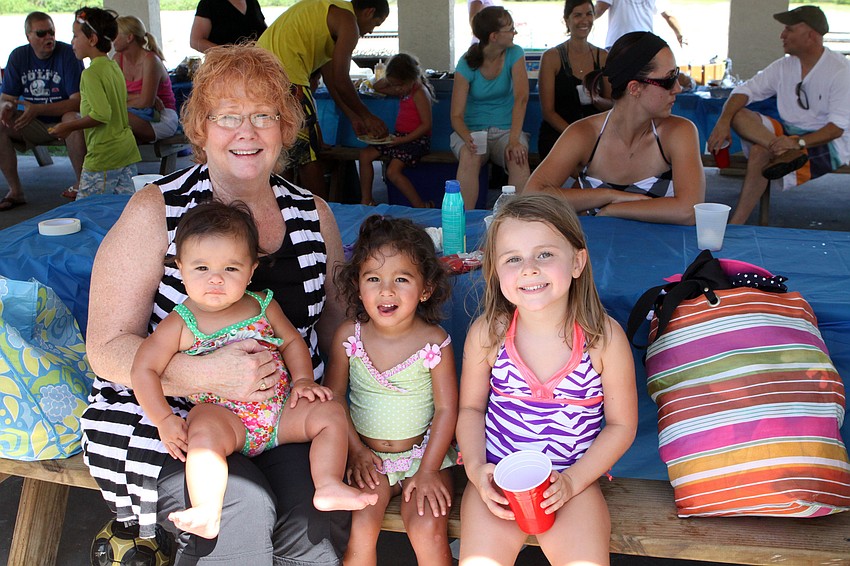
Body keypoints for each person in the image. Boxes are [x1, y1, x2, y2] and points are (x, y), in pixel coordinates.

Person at [80, 44, 351, 564]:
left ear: (285, 129)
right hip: (169, 418)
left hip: (278, 414)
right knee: (239, 508)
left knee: (315, 517)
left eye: (262, 117)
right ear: (201, 130)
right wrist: (204, 376)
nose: (246, 132)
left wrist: (329, 403)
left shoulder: (312, 212)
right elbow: (106, 347)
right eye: (228, 117)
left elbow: (339, 329)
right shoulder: (156, 209)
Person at [132, 201, 377, 539]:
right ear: (180, 268)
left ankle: (328, 485)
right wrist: (163, 418)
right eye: (201, 268)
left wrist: (304, 380)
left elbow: (292, 342)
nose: (215, 279)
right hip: (226, 420)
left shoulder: (262, 304)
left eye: (231, 269)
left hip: (280, 414)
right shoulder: (181, 322)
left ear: (251, 269)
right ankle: (207, 508)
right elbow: (143, 368)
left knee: (330, 412)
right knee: (200, 433)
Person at [456, 193, 637, 565]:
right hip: (498, 479)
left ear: (577, 261)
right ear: (494, 271)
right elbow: (470, 409)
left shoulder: (604, 338)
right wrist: (476, 469)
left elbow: (622, 426)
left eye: (544, 254)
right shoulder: (487, 334)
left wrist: (573, 481)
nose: (529, 268)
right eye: (513, 259)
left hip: (572, 482)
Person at [325, 215, 458, 566]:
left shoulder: (435, 343)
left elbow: (447, 411)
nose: (386, 291)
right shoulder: (348, 337)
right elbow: (334, 399)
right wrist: (354, 451)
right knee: (362, 530)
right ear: (357, 286)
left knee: (428, 529)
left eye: (401, 279)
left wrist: (428, 469)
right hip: (367, 459)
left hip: (425, 457)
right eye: (373, 279)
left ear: (426, 288)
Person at [524, 32, 704, 225]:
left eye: (676, 75)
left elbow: (690, 210)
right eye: (669, 79)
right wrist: (608, 195)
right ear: (634, 88)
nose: (677, 88)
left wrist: (613, 210)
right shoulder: (585, 134)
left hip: (661, 250)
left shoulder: (679, 132)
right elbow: (532, 196)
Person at [706, 6, 850, 225]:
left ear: (810, 35)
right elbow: (743, 91)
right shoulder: (784, 66)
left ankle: (736, 223)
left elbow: (836, 129)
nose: (782, 35)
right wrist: (723, 121)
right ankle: (781, 149)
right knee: (739, 114)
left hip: (826, 140)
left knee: (758, 150)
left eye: (789, 30)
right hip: (786, 136)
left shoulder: (841, 71)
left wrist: (799, 141)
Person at [258, 0, 391, 200]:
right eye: (375, 24)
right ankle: (320, 213)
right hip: (286, 77)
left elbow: (331, 79)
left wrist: (353, 116)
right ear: (369, 11)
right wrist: (366, 116)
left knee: (283, 148)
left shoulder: (330, 15)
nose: (371, 31)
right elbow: (341, 77)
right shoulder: (349, 23)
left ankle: (283, 207)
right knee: (307, 155)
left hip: (258, 72)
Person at [49, 8, 140, 200]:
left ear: (92, 40)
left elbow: (101, 114)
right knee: (122, 209)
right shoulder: (113, 67)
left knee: (87, 210)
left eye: (75, 36)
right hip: (126, 151)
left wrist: (68, 126)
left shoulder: (90, 74)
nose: (72, 42)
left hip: (104, 155)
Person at [0, 11, 85, 211]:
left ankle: (83, 186)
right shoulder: (18, 56)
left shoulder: (68, 54)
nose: (49, 38)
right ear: (28, 36)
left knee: (72, 117)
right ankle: (15, 191)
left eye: (51, 32)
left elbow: (77, 102)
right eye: (41, 34)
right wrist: (6, 107)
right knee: (0, 123)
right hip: (32, 122)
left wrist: (38, 109)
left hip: (63, 122)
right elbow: (6, 97)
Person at [451, 6, 530, 210]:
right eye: (510, 29)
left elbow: (521, 97)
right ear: (494, 36)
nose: (515, 33)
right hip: (472, 130)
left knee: (518, 157)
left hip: (505, 130)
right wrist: (467, 137)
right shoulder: (466, 63)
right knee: (470, 157)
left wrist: (514, 139)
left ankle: (517, 219)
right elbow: (456, 115)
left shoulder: (515, 53)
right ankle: (462, 219)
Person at [358, 53, 434, 208]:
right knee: (365, 156)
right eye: (394, 85)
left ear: (411, 78)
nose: (396, 89)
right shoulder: (403, 90)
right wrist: (389, 78)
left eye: (399, 85)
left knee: (392, 172)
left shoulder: (419, 93)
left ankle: (420, 205)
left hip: (416, 140)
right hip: (398, 138)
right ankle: (366, 199)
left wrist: (403, 140)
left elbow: (426, 125)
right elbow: (377, 86)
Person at [537, 0, 610, 160]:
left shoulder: (602, 56)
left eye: (589, 14)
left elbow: (612, 104)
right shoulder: (552, 57)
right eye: (577, 15)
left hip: (595, 136)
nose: (584, 20)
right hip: (559, 135)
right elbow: (548, 112)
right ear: (566, 20)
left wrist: (598, 100)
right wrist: (576, 135)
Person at [114, 16, 179, 144]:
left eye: (115, 34)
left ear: (129, 37)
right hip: (135, 115)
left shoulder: (150, 60)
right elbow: (113, 97)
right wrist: (138, 97)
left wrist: (125, 100)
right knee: (108, 121)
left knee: (114, 117)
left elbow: (146, 102)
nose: (112, 39)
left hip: (162, 116)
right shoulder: (117, 59)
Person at [595, 0, 686, 50]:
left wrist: (583, 20)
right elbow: (668, 15)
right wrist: (680, 35)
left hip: (618, 43)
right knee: (642, 81)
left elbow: (600, 8)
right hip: (645, 43)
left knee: (616, 79)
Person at [190, 0, 267, 53]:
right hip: (225, 69)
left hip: (256, 67)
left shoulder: (253, 2)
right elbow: (196, 41)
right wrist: (229, 53)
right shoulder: (208, 3)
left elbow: (265, 33)